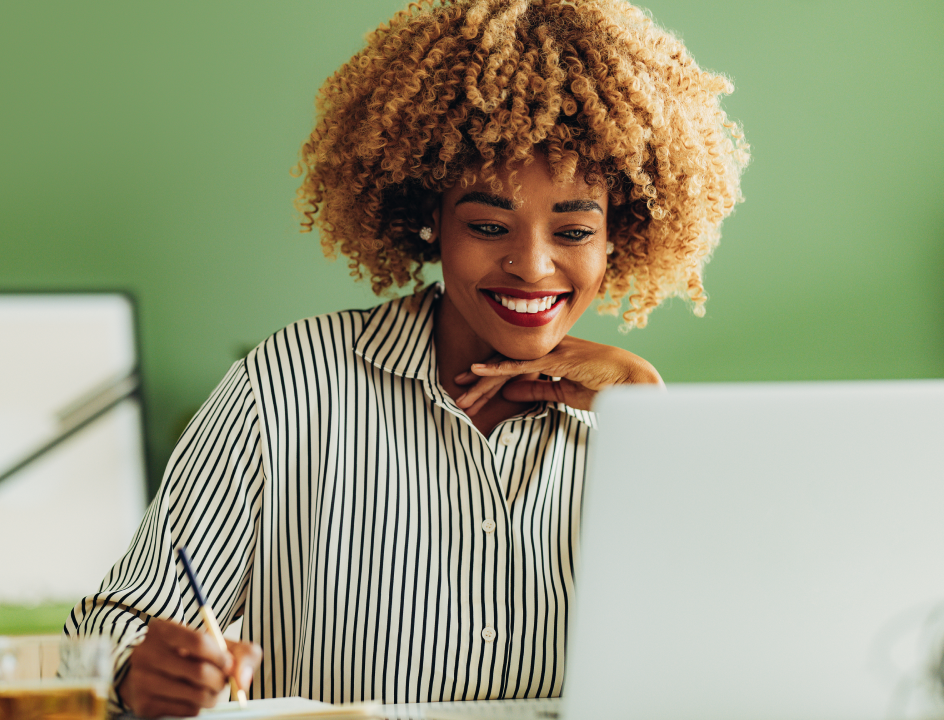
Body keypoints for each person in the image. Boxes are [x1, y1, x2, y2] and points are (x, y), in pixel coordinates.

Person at [65, 0, 748, 716]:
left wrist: (652, 420)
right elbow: (107, 626)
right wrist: (133, 673)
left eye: (574, 232)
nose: (532, 265)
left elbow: (730, 656)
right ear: (430, 219)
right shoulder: (290, 387)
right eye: (489, 225)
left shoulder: (632, 422)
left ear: (618, 238)